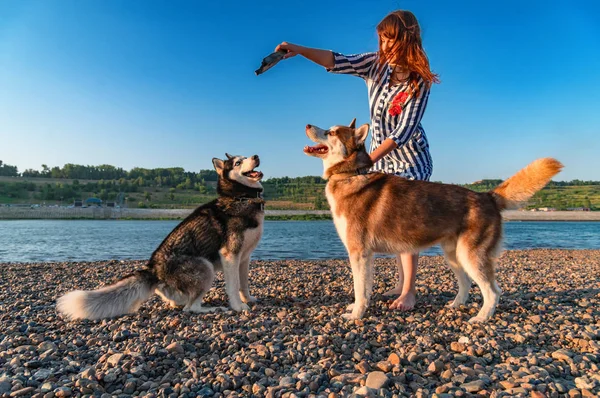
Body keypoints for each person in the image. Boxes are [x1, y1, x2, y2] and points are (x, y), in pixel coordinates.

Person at [276, 10, 440, 311]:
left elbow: (403, 131)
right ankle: (399, 281)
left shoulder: (419, 82)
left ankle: (409, 291)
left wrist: (362, 161)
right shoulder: (375, 64)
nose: (383, 45)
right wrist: (299, 50)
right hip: (373, 154)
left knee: (405, 221)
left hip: (409, 157)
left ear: (406, 39)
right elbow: (338, 61)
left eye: (389, 39)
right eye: (381, 39)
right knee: (385, 220)